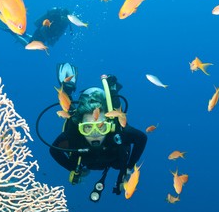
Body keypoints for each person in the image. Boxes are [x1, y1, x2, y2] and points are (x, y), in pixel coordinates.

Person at [49, 63, 147, 202]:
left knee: (120, 163)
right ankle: (67, 90)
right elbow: (54, 150)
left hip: (112, 158)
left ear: (110, 126)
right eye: (87, 128)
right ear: (80, 127)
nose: (95, 133)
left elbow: (141, 138)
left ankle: (112, 91)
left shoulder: (117, 131)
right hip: (86, 160)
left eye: (101, 127)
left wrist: (129, 166)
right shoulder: (74, 135)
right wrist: (72, 167)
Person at [0, 7, 72, 47]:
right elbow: (42, 29)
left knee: (36, 42)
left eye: (67, 19)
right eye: (64, 18)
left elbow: (60, 33)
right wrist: (48, 38)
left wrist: (54, 40)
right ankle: (13, 33)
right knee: (29, 45)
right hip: (42, 32)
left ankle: (24, 35)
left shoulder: (65, 24)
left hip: (47, 34)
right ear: (61, 15)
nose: (65, 20)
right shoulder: (55, 17)